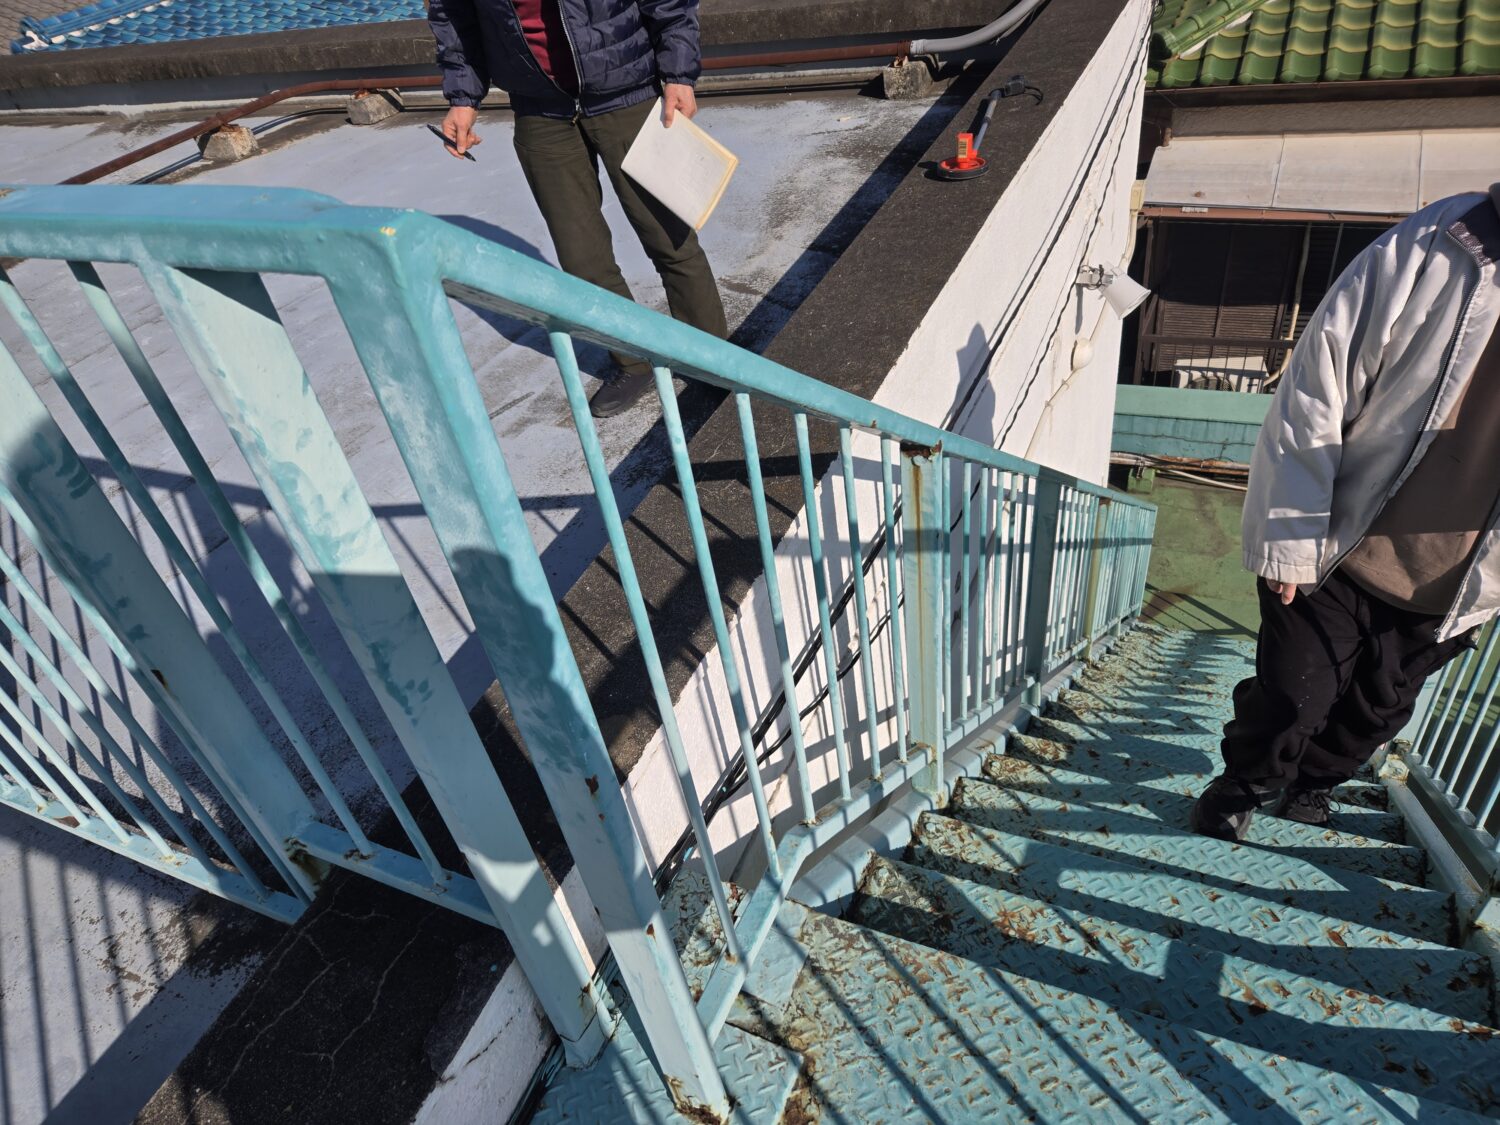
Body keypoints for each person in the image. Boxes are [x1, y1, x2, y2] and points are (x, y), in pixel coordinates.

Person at [1191, 184, 1500, 842]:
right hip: (1339, 543)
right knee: (1292, 694)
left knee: (1375, 713)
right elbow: (1317, 384)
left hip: (1452, 589)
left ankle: (1314, 784)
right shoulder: (1444, 242)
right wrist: (1290, 533)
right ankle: (1246, 783)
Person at [426, 0, 729, 417]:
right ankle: (633, 361)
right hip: (539, 109)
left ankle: (713, 360)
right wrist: (463, 97)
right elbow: (455, 18)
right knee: (581, 259)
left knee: (670, 240)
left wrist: (678, 73)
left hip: (628, 94)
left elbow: (669, 5)